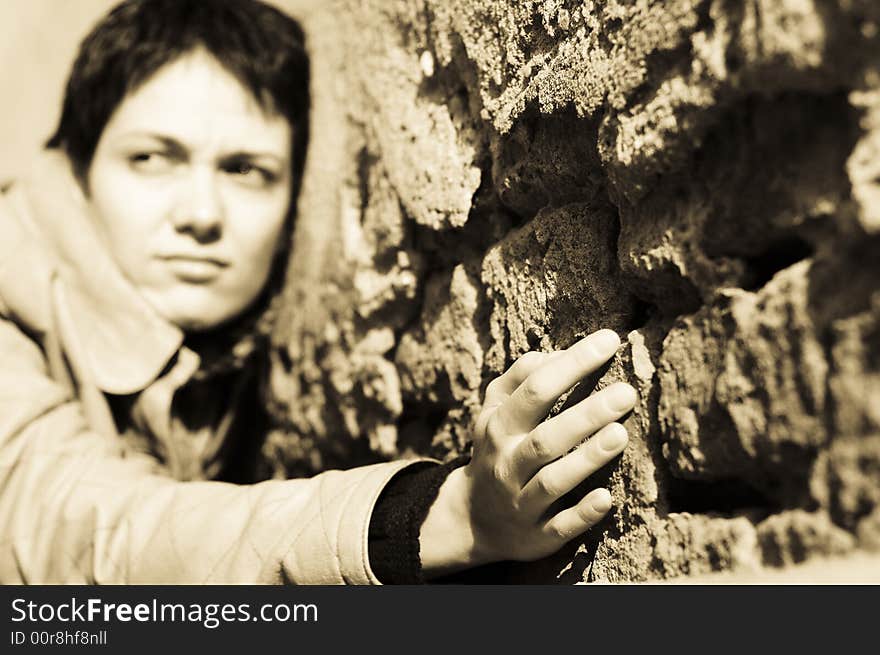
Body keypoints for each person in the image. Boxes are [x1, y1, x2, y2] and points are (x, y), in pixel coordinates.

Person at [0, 0, 637, 584]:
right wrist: (444, 516)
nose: (201, 213)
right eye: (151, 158)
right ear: (77, 171)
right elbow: (80, 532)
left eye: (245, 170)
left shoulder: (226, 354)